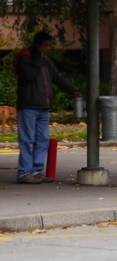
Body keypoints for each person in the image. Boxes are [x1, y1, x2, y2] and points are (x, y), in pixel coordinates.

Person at [15, 31, 81, 184]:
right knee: (27, 140)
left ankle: (36, 171)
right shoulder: (25, 59)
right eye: (45, 45)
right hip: (28, 106)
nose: (48, 48)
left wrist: (73, 90)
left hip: (43, 107)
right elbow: (28, 75)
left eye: (49, 45)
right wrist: (38, 59)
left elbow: (58, 78)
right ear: (37, 45)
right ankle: (24, 172)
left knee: (43, 140)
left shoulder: (47, 62)